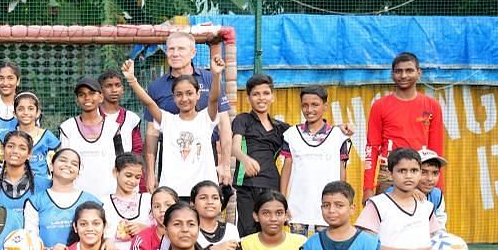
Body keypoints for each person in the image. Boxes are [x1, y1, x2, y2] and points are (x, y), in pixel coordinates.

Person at [124, 53, 225, 199]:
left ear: (198, 95)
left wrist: (216, 75)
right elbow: (149, 103)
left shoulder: (206, 118)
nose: (184, 98)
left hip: (203, 193)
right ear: (174, 97)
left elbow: (214, 99)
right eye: (179, 94)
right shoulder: (167, 120)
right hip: (173, 193)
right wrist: (132, 80)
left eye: (189, 93)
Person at [142, 32, 233, 191]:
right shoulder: (156, 86)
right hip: (172, 156)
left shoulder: (210, 79)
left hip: (205, 155)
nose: (175, 53)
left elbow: (224, 125)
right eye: (171, 49)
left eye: (181, 49)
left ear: (193, 52)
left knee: (205, 206)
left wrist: (225, 165)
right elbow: (152, 133)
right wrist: (150, 173)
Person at [364, 52, 444, 202]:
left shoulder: (432, 106)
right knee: (387, 223)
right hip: (389, 175)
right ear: (392, 74)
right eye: (398, 71)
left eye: (409, 70)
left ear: (419, 73)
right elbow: (372, 147)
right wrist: (367, 188)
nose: (403, 75)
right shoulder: (379, 106)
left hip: (421, 174)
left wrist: (438, 187)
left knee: (422, 224)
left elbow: (436, 151)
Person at [279, 85, 351, 237]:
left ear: (325, 106)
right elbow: (287, 167)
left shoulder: (338, 135)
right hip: (298, 204)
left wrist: (341, 200)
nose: (309, 109)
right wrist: (283, 201)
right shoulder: (291, 135)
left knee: (325, 248)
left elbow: (341, 171)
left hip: (327, 206)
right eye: (305, 105)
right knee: (298, 249)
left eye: (315, 105)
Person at [231, 74, 289, 237]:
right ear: (248, 98)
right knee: (248, 232)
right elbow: (234, 147)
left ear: (272, 97)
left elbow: (306, 133)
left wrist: (339, 128)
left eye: (265, 93)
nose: (261, 98)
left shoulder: (281, 128)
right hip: (247, 185)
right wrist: (244, 158)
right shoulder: (243, 120)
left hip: (272, 186)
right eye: (256, 94)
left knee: (270, 231)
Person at [58, 77, 119, 198]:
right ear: (77, 100)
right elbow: (63, 162)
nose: (87, 98)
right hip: (76, 194)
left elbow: (121, 161)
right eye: (82, 94)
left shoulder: (113, 127)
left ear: (101, 97)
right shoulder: (67, 128)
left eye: (92, 93)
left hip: (109, 194)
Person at [100, 153, 152, 250]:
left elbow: (162, 229)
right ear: (115, 173)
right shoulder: (103, 203)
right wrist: (106, 240)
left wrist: (145, 229)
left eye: (137, 177)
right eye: (128, 175)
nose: (133, 181)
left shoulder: (148, 201)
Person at [128, 186, 179, 250]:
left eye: (168, 205)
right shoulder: (142, 239)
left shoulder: (186, 236)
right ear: (151, 211)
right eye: (157, 206)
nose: (162, 210)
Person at [12, 92, 60, 184]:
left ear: (37, 112)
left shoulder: (47, 136)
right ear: (14, 113)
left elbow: (55, 164)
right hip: (17, 185)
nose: (26, 113)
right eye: (21, 109)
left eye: (30, 109)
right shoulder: (10, 137)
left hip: (42, 185)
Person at [0, 130, 49, 216]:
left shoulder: (44, 184)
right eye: (10, 146)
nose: (15, 151)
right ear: (3, 150)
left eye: (22, 148)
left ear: (29, 154)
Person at [98, 69, 143, 159]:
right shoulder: (93, 116)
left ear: (123, 89)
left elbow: (137, 150)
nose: (114, 90)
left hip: (125, 169)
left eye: (117, 85)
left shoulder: (131, 118)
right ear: (100, 90)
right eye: (108, 86)